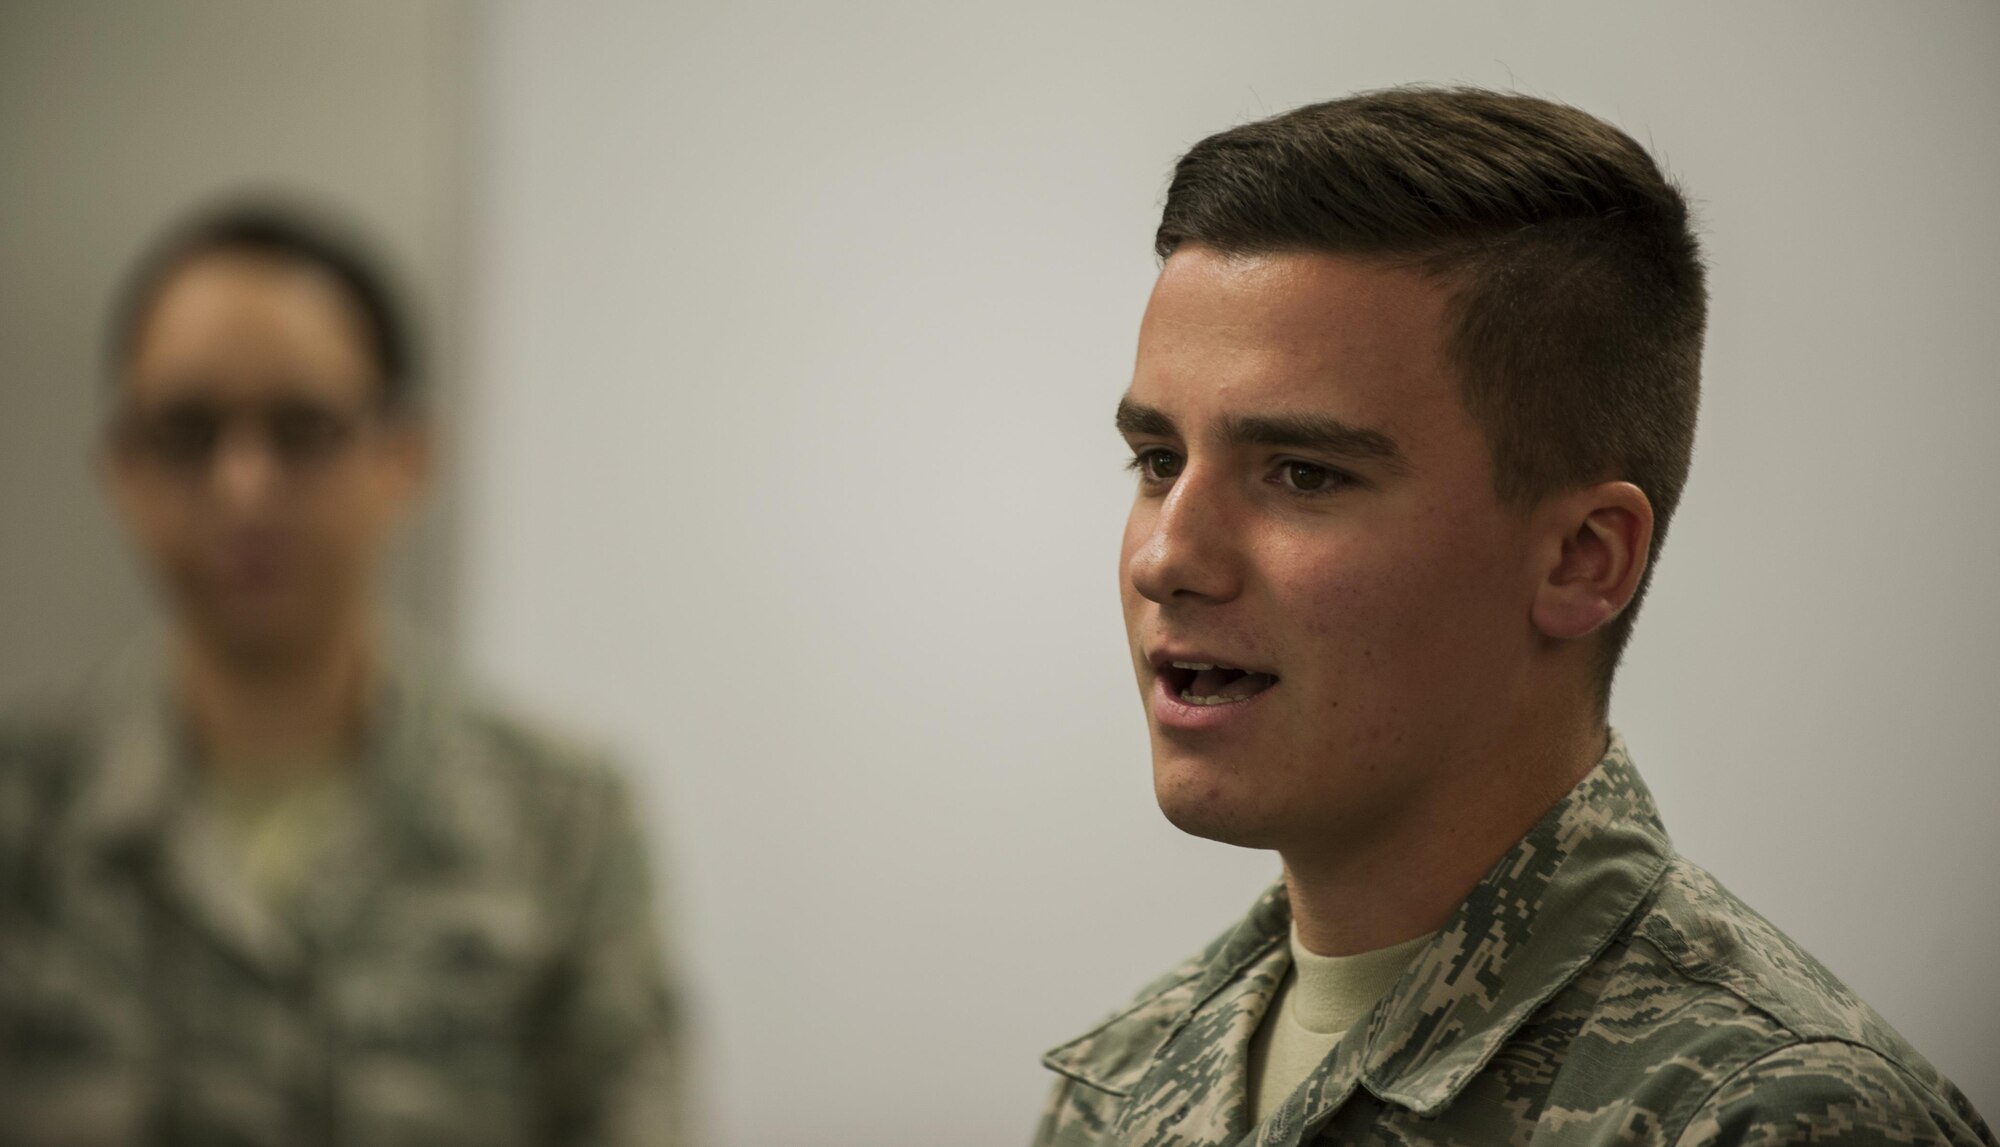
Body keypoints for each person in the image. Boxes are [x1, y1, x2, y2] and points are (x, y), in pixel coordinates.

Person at [1032, 88, 1993, 1146]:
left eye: (1302, 474)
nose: (1168, 555)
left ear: (1582, 560)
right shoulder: (1123, 1083)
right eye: (1158, 461)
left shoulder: (1768, 1117)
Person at [0, 203, 687, 1145]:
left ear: (405, 458)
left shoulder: (563, 820)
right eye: (189, 431)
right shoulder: (23, 814)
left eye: (303, 429)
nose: (245, 484)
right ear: (123, 468)